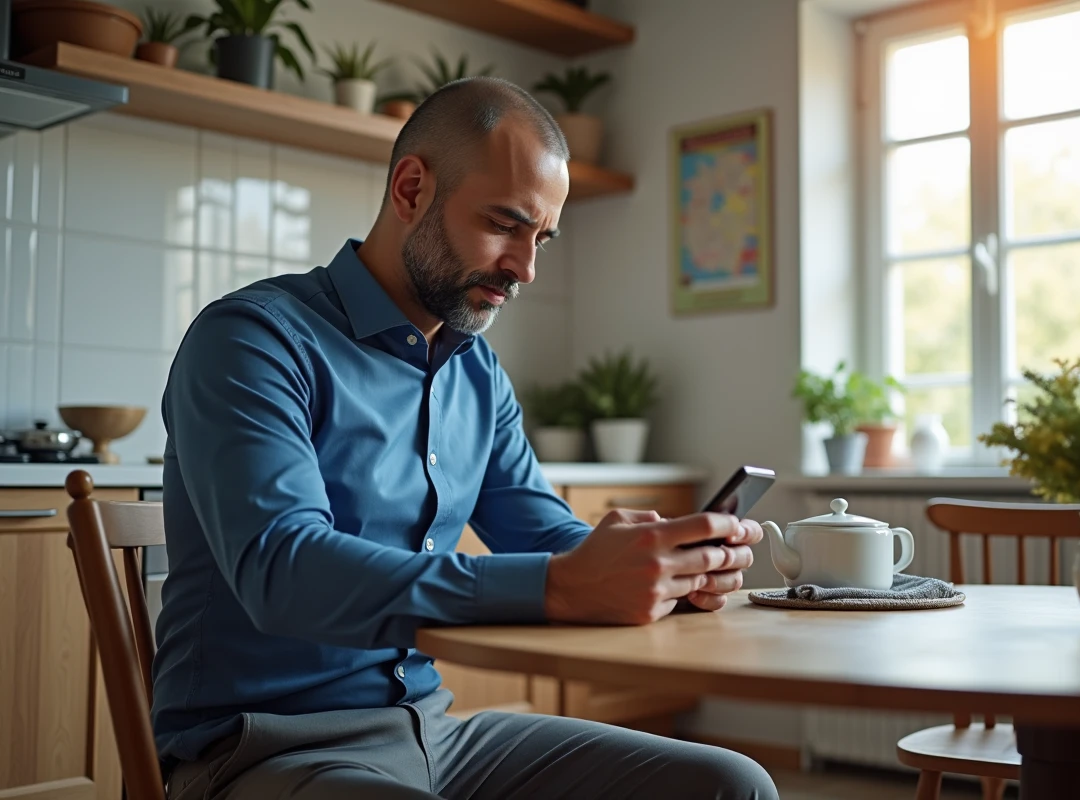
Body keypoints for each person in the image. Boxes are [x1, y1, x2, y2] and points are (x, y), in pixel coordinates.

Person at [154, 76, 775, 800]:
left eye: (540, 237)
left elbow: (544, 536)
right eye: (505, 224)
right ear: (411, 189)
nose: (526, 268)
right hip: (260, 749)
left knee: (730, 783)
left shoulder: (476, 372)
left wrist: (658, 567)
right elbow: (282, 571)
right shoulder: (253, 341)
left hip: (433, 730)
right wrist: (562, 585)